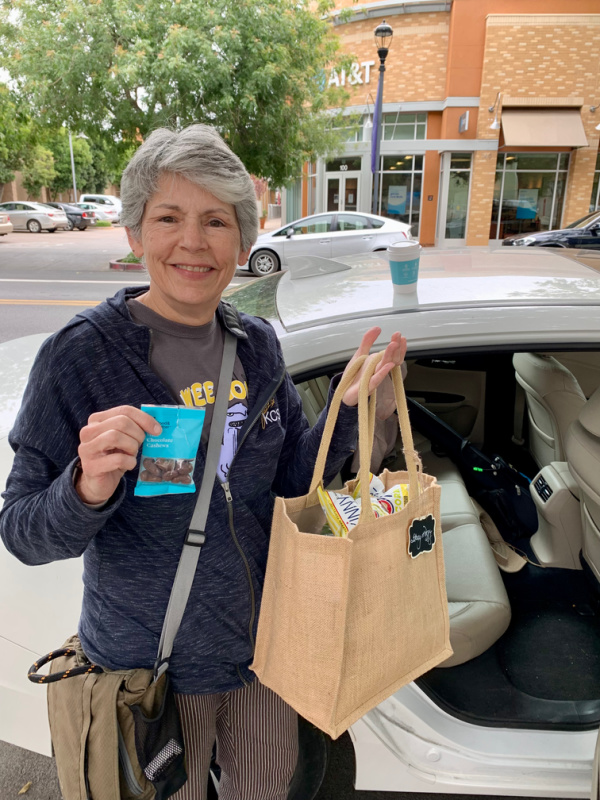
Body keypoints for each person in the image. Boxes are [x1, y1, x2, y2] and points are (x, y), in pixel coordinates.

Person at [0, 125, 406, 800]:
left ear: (242, 242)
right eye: (168, 218)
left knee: (270, 788)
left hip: (264, 653)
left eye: (216, 220)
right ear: (135, 234)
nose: (193, 241)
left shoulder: (257, 346)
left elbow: (287, 486)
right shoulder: (82, 356)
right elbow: (22, 530)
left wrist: (351, 413)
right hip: (150, 670)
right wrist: (86, 487)